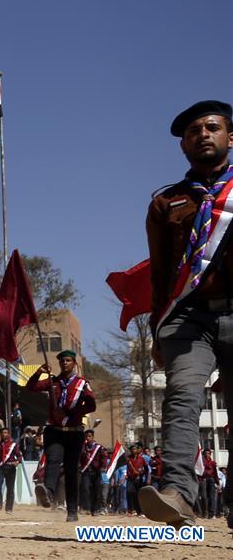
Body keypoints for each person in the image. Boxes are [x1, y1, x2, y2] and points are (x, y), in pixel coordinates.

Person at [139, 100, 233, 531]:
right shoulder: (166, 202)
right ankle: (177, 492)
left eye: (212, 127)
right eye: (193, 131)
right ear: (183, 146)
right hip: (188, 317)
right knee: (181, 396)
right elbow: (160, 274)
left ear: (230, 136)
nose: (203, 135)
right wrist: (156, 332)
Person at [25, 349, 96, 522]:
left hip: (74, 432)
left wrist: (73, 412)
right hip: (55, 431)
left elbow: (91, 405)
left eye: (68, 360)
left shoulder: (82, 384)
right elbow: (31, 387)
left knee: (71, 471)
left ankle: (72, 510)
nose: (65, 363)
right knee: (53, 460)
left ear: (74, 363)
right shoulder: (53, 382)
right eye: (62, 361)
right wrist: (38, 373)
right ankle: (48, 493)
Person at [0, 427, 22, 513]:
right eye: (2, 433)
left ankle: (9, 508)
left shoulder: (14, 444)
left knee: (10, 488)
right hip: (0, 468)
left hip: (10, 467)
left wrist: (17, 462)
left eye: (5, 432)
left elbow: (19, 456)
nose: (3, 434)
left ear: (9, 434)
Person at [78, 429, 107, 516]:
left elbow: (104, 458)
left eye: (89, 436)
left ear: (93, 437)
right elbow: (79, 458)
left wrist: (103, 466)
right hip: (86, 471)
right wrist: (79, 465)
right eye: (86, 436)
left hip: (96, 471)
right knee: (86, 489)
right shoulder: (83, 447)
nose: (88, 438)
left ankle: (95, 509)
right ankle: (87, 508)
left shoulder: (99, 447)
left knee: (97, 491)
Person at [126, 442, 150, 516]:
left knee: (138, 495)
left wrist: (145, 476)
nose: (134, 450)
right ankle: (131, 510)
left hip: (139, 479)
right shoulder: (128, 459)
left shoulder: (141, 459)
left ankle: (140, 511)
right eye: (132, 449)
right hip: (130, 479)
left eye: (135, 449)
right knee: (129, 492)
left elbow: (146, 469)